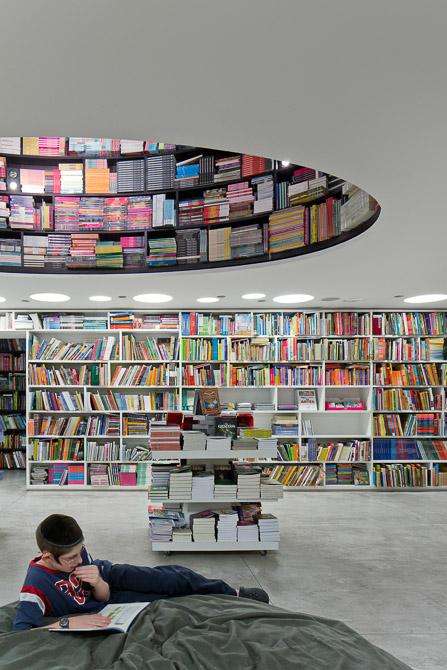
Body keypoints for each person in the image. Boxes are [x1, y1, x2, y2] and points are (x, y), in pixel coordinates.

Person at [14, 514, 269, 630]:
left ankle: (231, 593)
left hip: (110, 575)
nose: (79, 560)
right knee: (165, 603)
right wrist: (68, 623)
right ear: (47, 557)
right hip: (105, 605)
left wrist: (98, 581)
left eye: (81, 552)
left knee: (172, 576)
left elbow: (102, 591)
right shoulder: (35, 585)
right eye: (71, 559)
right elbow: (22, 632)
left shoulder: (76, 553)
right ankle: (221, 604)